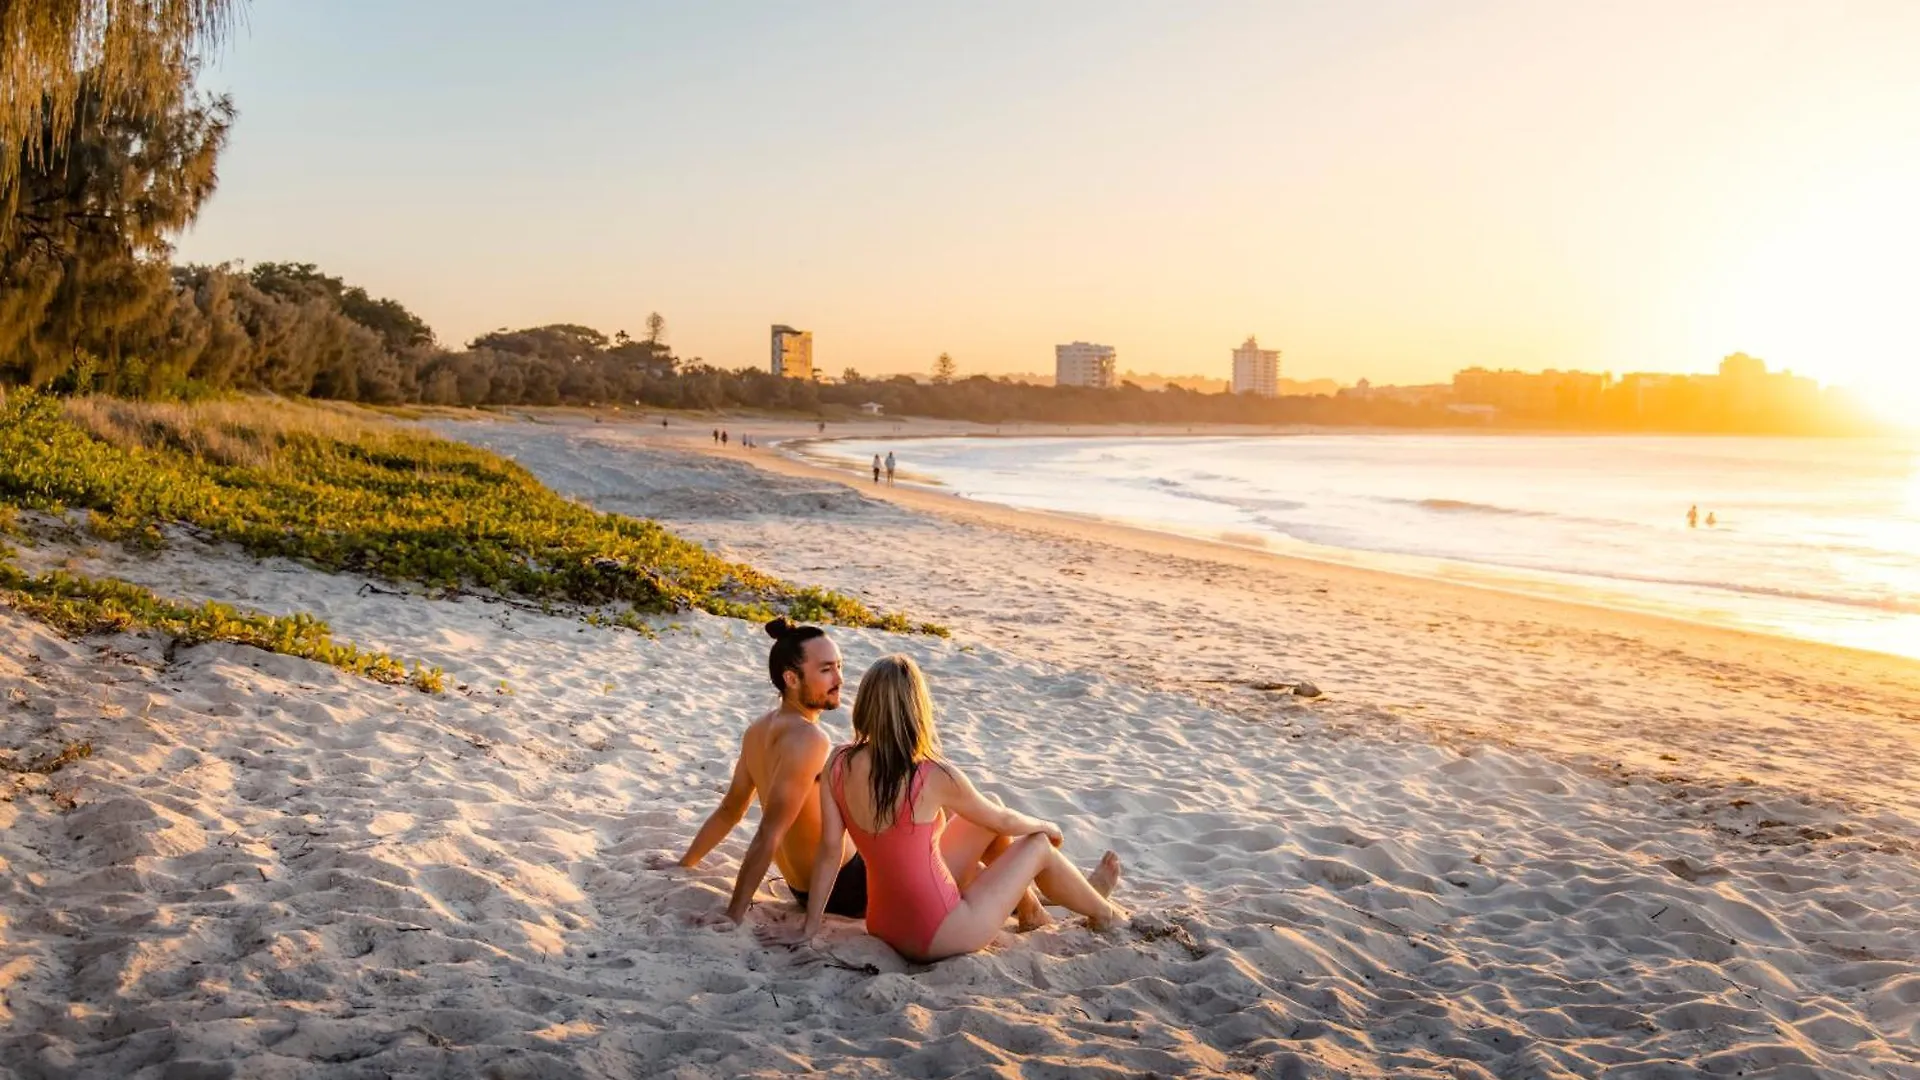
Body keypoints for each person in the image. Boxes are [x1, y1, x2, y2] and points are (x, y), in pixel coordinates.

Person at [778, 655, 1123, 962]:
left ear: (865, 705)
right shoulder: (934, 775)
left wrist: (810, 927)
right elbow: (1003, 820)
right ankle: (1103, 912)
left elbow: (829, 851)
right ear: (917, 711)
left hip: (882, 924)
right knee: (1037, 845)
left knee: (986, 818)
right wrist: (1046, 824)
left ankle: (1031, 910)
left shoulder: (838, 760)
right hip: (939, 932)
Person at [657, 619, 867, 925]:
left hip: (804, 889)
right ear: (791, 679)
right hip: (849, 886)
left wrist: (685, 863)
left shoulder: (757, 730)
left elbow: (730, 810)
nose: (839, 679)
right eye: (825, 670)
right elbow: (769, 832)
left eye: (839, 666)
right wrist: (734, 914)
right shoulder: (811, 739)